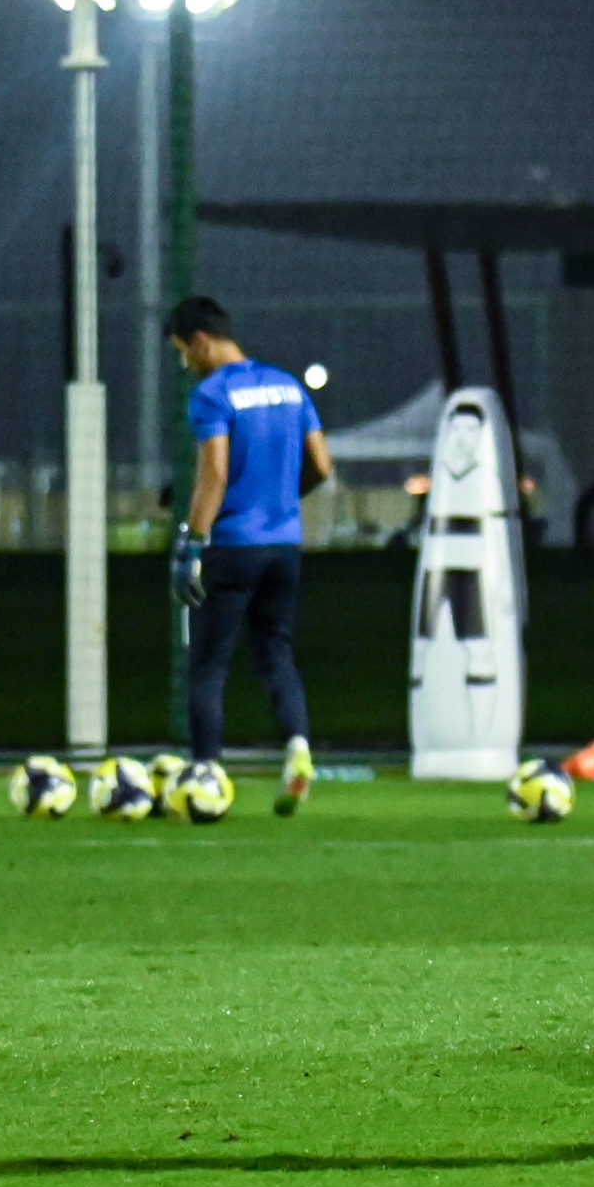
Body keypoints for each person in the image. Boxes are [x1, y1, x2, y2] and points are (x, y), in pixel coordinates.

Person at [166, 297, 332, 815]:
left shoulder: (212, 395)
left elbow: (214, 473)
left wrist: (192, 542)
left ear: (200, 341)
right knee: (276, 653)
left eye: (182, 351)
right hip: (284, 546)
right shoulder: (289, 385)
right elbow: (322, 465)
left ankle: (206, 774)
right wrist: (280, 499)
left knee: (208, 665)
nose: (184, 364)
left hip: (232, 547)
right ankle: (298, 749)